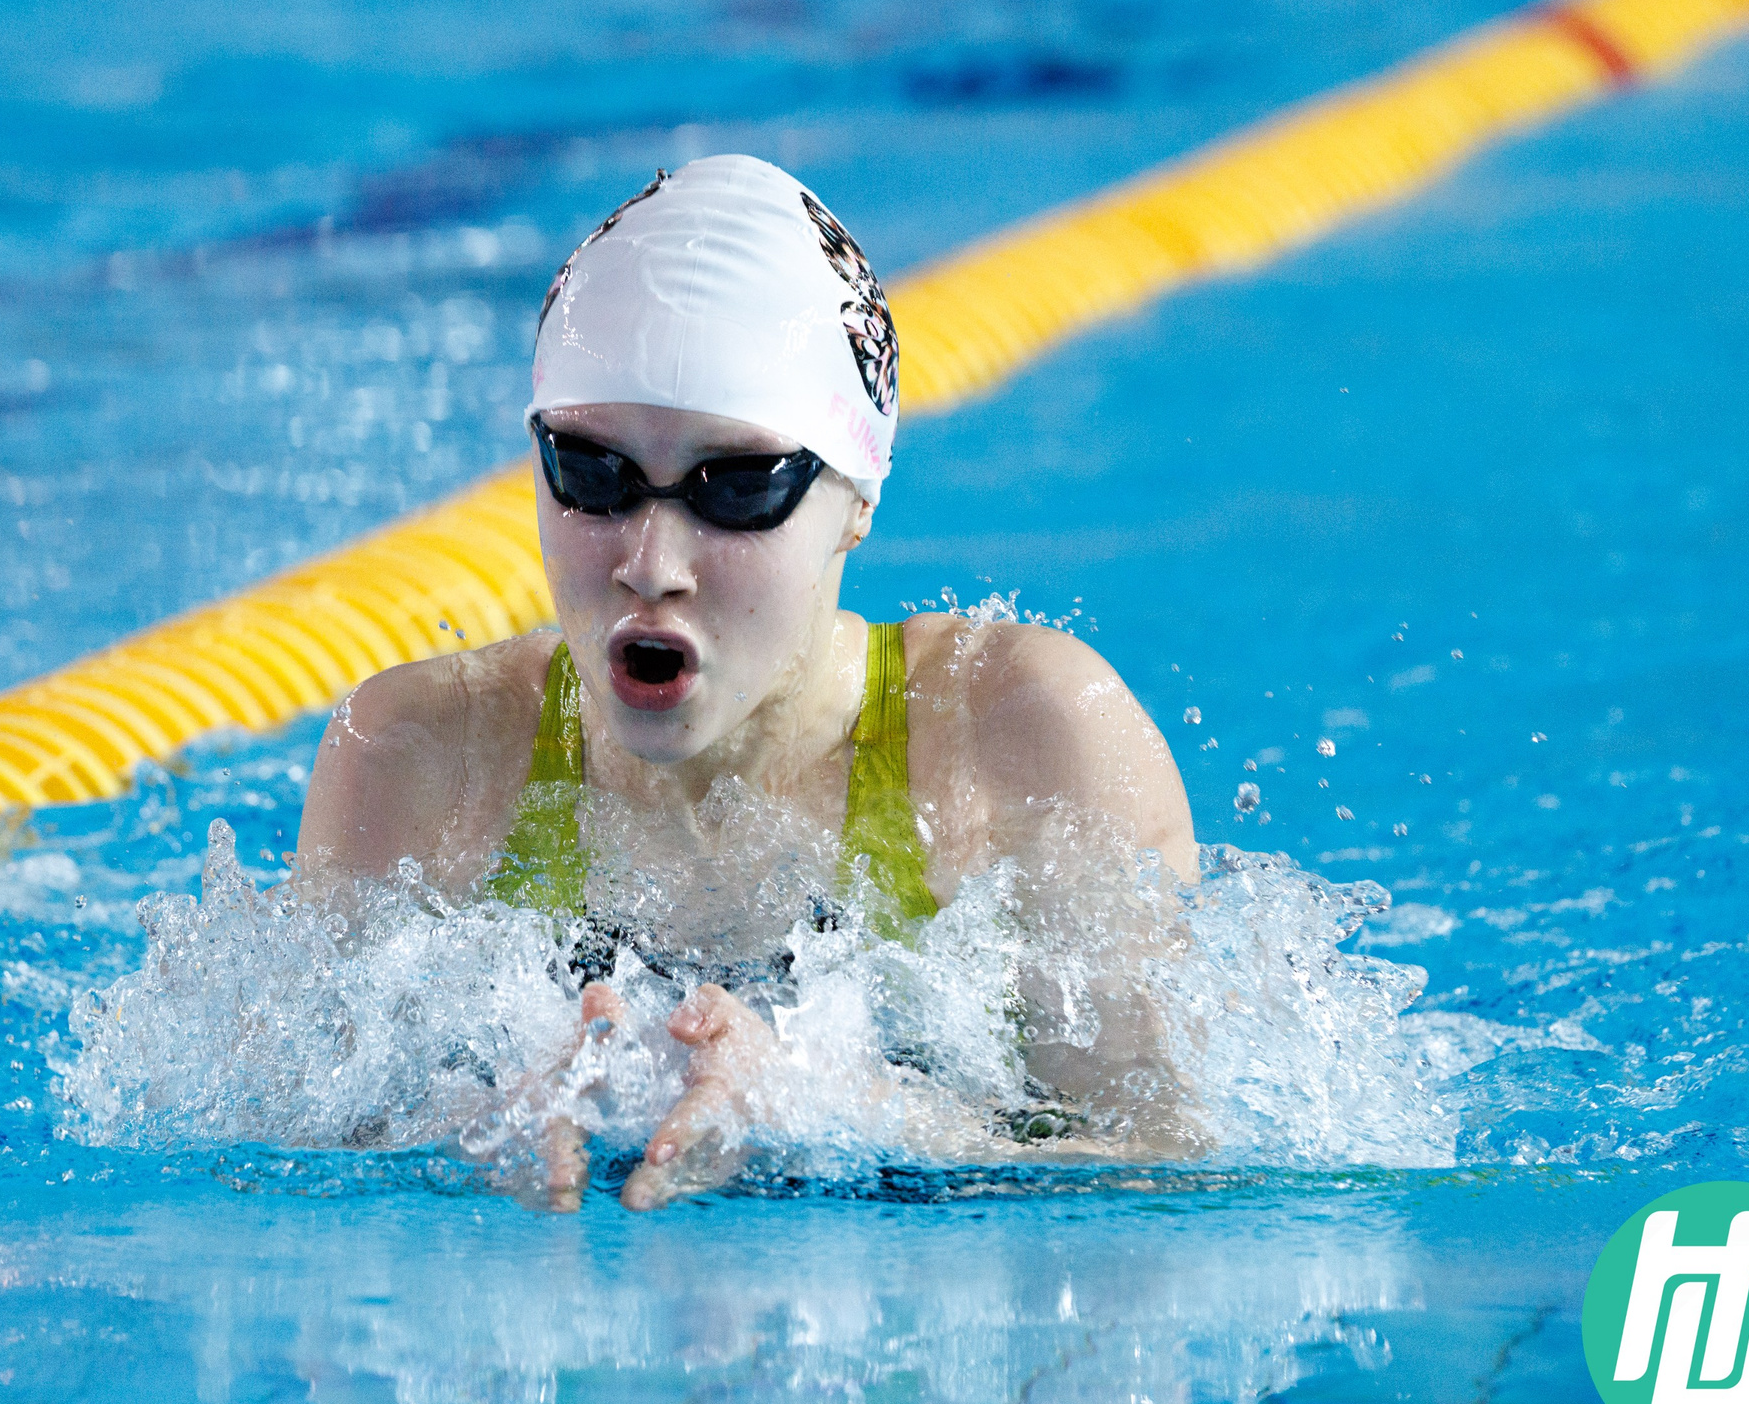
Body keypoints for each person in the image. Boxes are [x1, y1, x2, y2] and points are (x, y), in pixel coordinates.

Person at [293, 155, 1196, 1210]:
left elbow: (1164, 1172)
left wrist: (844, 1110)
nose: (650, 560)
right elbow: (297, 1164)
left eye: (738, 486)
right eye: (591, 473)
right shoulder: (418, 759)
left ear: (856, 496)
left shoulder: (1021, 740)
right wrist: (461, 1134)